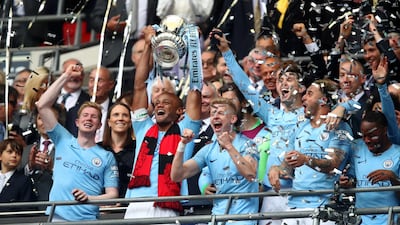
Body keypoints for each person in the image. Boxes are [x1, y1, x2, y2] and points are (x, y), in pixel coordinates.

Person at [124, 25, 201, 221]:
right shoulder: (144, 127)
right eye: (157, 102)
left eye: (166, 102)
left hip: (167, 203)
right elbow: (139, 86)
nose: (159, 104)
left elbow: (195, 89)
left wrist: (194, 46)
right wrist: (149, 45)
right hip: (136, 204)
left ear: (179, 111)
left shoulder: (186, 130)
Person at [35, 63, 119, 221]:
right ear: (77, 122)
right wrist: (66, 76)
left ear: (100, 125)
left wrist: (89, 199)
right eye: (85, 115)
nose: (89, 118)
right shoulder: (63, 139)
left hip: (87, 220)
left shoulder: (107, 156)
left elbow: (113, 195)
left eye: (94, 117)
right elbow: (42, 105)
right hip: (56, 217)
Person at [268, 79, 353, 225]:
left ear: (323, 100)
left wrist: (306, 160)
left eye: (309, 94)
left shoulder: (340, 128)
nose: (303, 98)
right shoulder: (300, 127)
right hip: (295, 206)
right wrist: (277, 169)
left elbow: (333, 165)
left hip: (326, 209)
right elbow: (288, 165)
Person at [171, 98, 259, 225]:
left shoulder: (247, 144)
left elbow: (250, 174)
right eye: (213, 114)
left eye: (221, 113)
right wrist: (182, 144)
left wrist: (229, 146)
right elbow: (177, 175)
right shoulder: (208, 150)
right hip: (217, 218)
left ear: (233, 119)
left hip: (243, 219)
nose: (215, 117)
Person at [339, 110, 400, 225]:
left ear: (384, 130)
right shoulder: (356, 147)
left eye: (372, 136)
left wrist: (393, 178)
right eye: (364, 136)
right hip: (360, 219)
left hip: (389, 219)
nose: (367, 140)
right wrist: (347, 183)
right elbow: (351, 179)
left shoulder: (398, 153)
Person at [20, 104, 66, 209]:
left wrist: (52, 168)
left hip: (55, 206)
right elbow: (15, 178)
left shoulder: (67, 149)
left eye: (49, 118)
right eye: (40, 118)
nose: (44, 122)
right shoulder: (26, 149)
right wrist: (30, 166)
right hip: (27, 207)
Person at [100, 102, 135, 198]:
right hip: (101, 207)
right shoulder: (98, 149)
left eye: (125, 115)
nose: (120, 118)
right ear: (109, 122)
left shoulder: (138, 148)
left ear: (130, 122)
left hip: (129, 206)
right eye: (116, 115)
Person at [57, 58, 90, 137]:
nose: (74, 77)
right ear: (63, 74)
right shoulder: (52, 97)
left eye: (79, 73)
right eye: (71, 73)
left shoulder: (89, 100)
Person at [0, 139, 36, 210]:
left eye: (18, 153)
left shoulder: (24, 181)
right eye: (10, 152)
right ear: (0, 155)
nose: (14, 155)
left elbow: (27, 210)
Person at [87, 66, 116, 142]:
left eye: (99, 80)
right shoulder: (77, 109)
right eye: (91, 80)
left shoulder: (116, 110)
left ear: (110, 85)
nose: (94, 85)